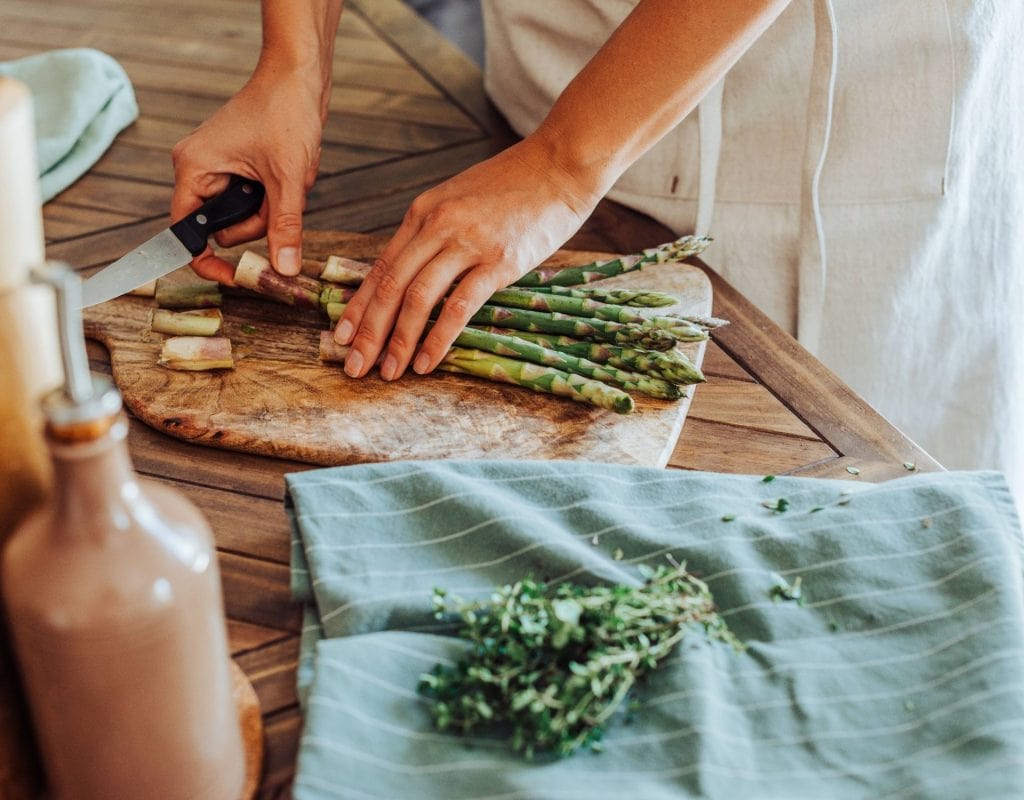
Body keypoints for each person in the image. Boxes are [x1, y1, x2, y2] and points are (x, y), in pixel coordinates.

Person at [172, 0, 1024, 509]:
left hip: (836, 140)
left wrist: (561, 165)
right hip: (541, 89)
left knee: (860, 521)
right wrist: (292, 61)